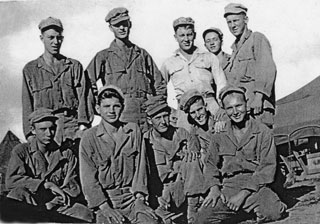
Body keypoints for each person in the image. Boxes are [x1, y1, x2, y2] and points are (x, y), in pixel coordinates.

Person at [195, 86, 286, 223]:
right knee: (201, 220)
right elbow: (211, 163)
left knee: (273, 212)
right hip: (229, 186)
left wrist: (242, 195)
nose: (235, 112)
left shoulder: (262, 131)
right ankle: (243, 213)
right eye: (230, 108)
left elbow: (267, 168)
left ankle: (252, 208)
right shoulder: (219, 134)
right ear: (224, 110)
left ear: (246, 104)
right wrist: (214, 188)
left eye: (239, 106)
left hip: (255, 186)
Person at [79, 85, 160, 224]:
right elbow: (88, 180)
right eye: (106, 106)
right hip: (106, 201)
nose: (111, 111)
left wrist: (140, 199)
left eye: (116, 106)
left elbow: (141, 169)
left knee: (150, 221)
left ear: (122, 107)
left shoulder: (133, 130)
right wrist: (105, 207)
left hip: (132, 199)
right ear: (98, 109)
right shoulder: (89, 137)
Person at [85, 7, 165, 132]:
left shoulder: (142, 54)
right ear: (111, 28)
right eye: (117, 25)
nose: (122, 28)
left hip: (143, 113)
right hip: (120, 114)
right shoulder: (103, 56)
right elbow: (88, 82)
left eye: (124, 24)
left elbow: (159, 83)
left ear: (130, 24)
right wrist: (101, 106)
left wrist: (155, 105)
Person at [5, 108, 93, 222]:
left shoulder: (66, 154)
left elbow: (72, 187)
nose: (49, 134)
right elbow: (12, 181)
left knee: (85, 214)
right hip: (32, 202)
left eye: (52, 129)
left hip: (58, 205)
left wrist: (53, 203)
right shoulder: (21, 151)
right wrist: (46, 185)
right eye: (43, 129)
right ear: (33, 130)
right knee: (16, 195)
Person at [22, 17, 93, 145]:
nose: (56, 42)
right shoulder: (31, 70)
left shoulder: (73, 66)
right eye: (51, 38)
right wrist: (30, 136)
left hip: (72, 127)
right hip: (45, 129)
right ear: (41, 38)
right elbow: (27, 105)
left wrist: (83, 128)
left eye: (59, 38)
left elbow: (84, 98)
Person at [142, 95, 212, 224]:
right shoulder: (145, 142)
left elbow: (197, 155)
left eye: (165, 116)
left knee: (192, 159)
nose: (163, 121)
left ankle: (193, 211)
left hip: (188, 189)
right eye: (158, 118)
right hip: (162, 195)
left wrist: (192, 152)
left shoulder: (182, 133)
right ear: (149, 120)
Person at [161, 17, 227, 131]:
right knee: (187, 143)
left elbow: (222, 84)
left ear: (194, 35)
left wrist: (220, 110)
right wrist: (170, 112)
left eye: (189, 34)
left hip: (210, 106)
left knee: (219, 138)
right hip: (185, 112)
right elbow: (160, 90)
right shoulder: (169, 63)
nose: (186, 39)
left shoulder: (209, 57)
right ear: (175, 37)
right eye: (182, 35)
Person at [223, 3, 276, 128]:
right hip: (244, 110)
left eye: (235, 21)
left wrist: (259, 97)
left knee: (263, 144)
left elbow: (267, 68)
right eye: (229, 22)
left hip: (258, 107)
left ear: (245, 20)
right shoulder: (235, 49)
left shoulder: (257, 39)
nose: (232, 25)